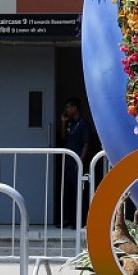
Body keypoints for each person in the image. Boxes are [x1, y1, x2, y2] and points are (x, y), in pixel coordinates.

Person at [58, 97, 93, 228]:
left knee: (79, 192)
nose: (67, 110)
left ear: (75, 108)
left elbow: (86, 143)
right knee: (67, 192)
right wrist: (63, 123)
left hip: (77, 162)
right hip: (68, 161)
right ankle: (68, 219)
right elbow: (63, 138)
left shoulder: (83, 124)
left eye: (68, 107)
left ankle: (81, 220)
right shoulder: (70, 123)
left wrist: (80, 161)